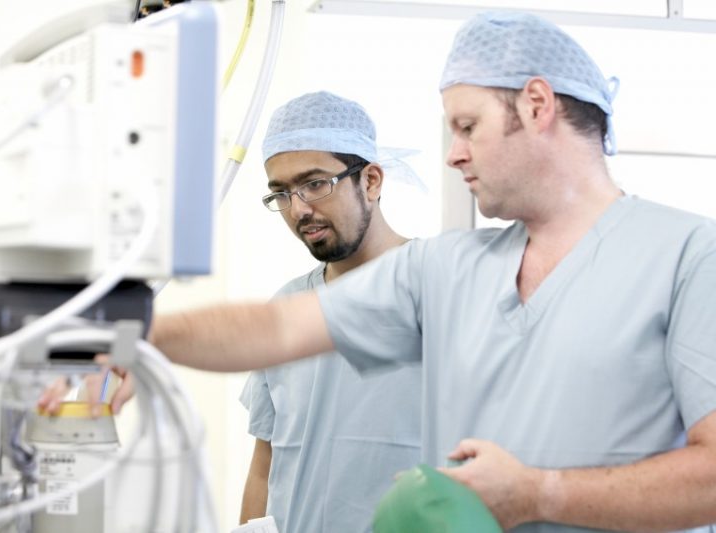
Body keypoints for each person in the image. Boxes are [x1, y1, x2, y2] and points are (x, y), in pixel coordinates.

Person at [148, 11, 716, 533]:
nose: (452, 154)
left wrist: (541, 494)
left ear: (537, 105)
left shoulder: (688, 255)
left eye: (467, 126)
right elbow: (276, 331)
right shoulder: (446, 268)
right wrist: (130, 336)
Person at [238, 91, 422, 533]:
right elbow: (265, 462)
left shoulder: (438, 288)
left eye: (316, 183)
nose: (299, 209)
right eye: (281, 193)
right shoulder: (286, 308)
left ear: (371, 181)